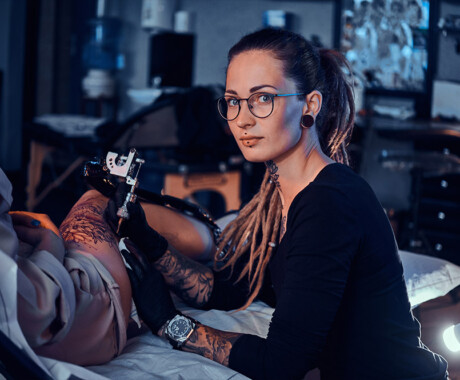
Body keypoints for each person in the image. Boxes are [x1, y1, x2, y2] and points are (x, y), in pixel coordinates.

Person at [105, 28, 449, 379]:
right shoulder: (282, 196)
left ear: (309, 105)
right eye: (234, 100)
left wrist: (171, 324)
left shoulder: (329, 204)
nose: (242, 118)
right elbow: (227, 290)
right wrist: (148, 240)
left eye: (263, 98)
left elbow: (281, 365)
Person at [0, 167, 215, 366]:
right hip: (67, 324)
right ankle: (219, 239)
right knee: (95, 200)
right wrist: (49, 244)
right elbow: (38, 308)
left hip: (39, 332)